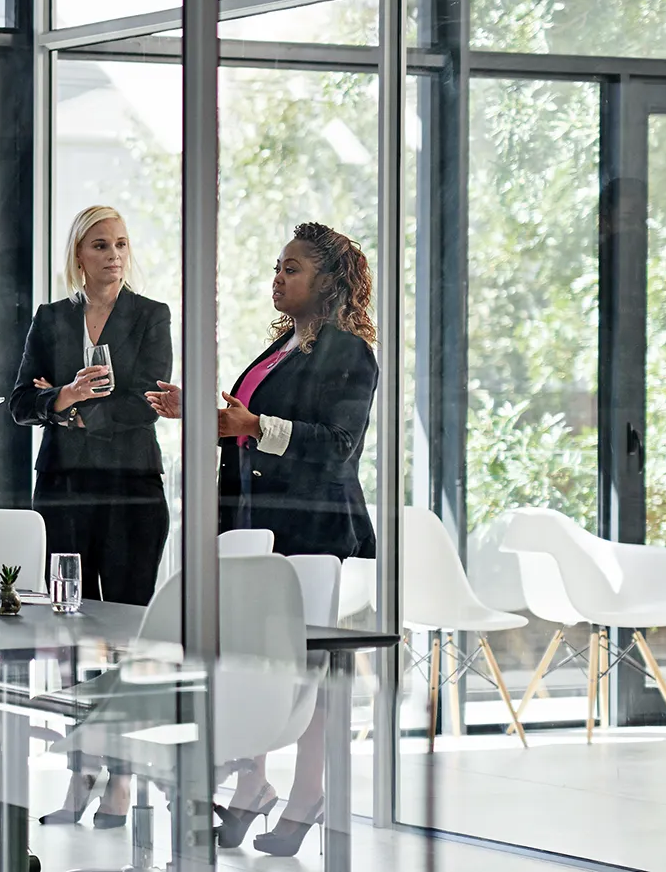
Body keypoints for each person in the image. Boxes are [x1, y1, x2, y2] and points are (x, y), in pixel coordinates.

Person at [149, 221, 380, 856]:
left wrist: (251, 422)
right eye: (277, 267)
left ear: (326, 282)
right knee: (251, 659)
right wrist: (197, 409)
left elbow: (338, 447)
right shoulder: (281, 348)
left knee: (308, 670)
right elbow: (248, 430)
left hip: (312, 532)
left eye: (292, 269)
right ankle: (253, 782)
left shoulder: (348, 353)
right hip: (257, 527)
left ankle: (308, 793)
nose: (277, 278)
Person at [9, 205, 172, 829]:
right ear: (78, 254)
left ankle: (123, 778)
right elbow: (23, 401)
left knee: (125, 636)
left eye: (122, 244)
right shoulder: (50, 319)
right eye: (100, 245)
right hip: (64, 489)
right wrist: (63, 397)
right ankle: (80, 773)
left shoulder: (151, 315)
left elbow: (148, 402)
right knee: (75, 634)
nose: (113, 254)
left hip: (132, 491)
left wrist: (78, 414)